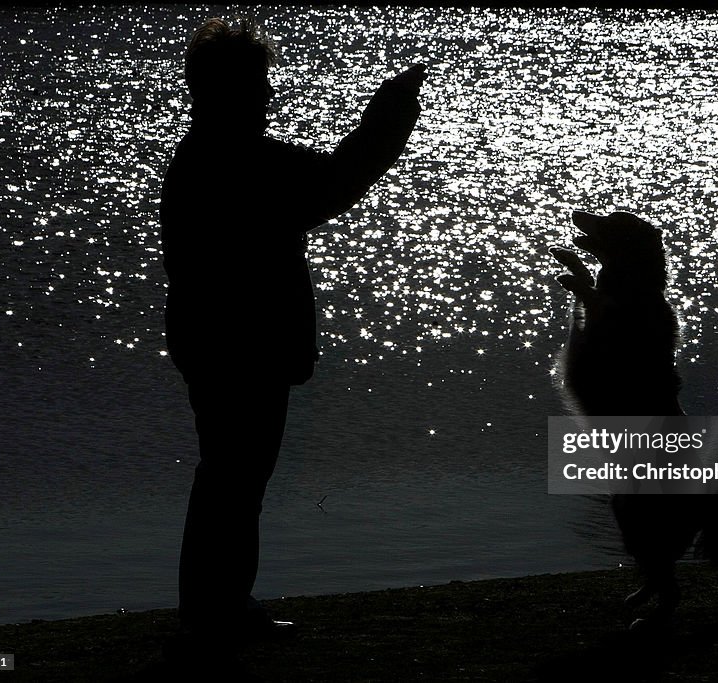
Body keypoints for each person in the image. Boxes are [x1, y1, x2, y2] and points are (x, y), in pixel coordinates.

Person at [159, 17, 425, 650]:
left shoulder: (209, 153)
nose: (269, 95)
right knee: (235, 478)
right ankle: (215, 611)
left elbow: (325, 184)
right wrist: (388, 121)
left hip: (211, 341)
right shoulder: (239, 158)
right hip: (239, 347)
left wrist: (383, 124)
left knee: (231, 476)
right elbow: (334, 185)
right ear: (234, 90)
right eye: (260, 83)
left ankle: (218, 605)